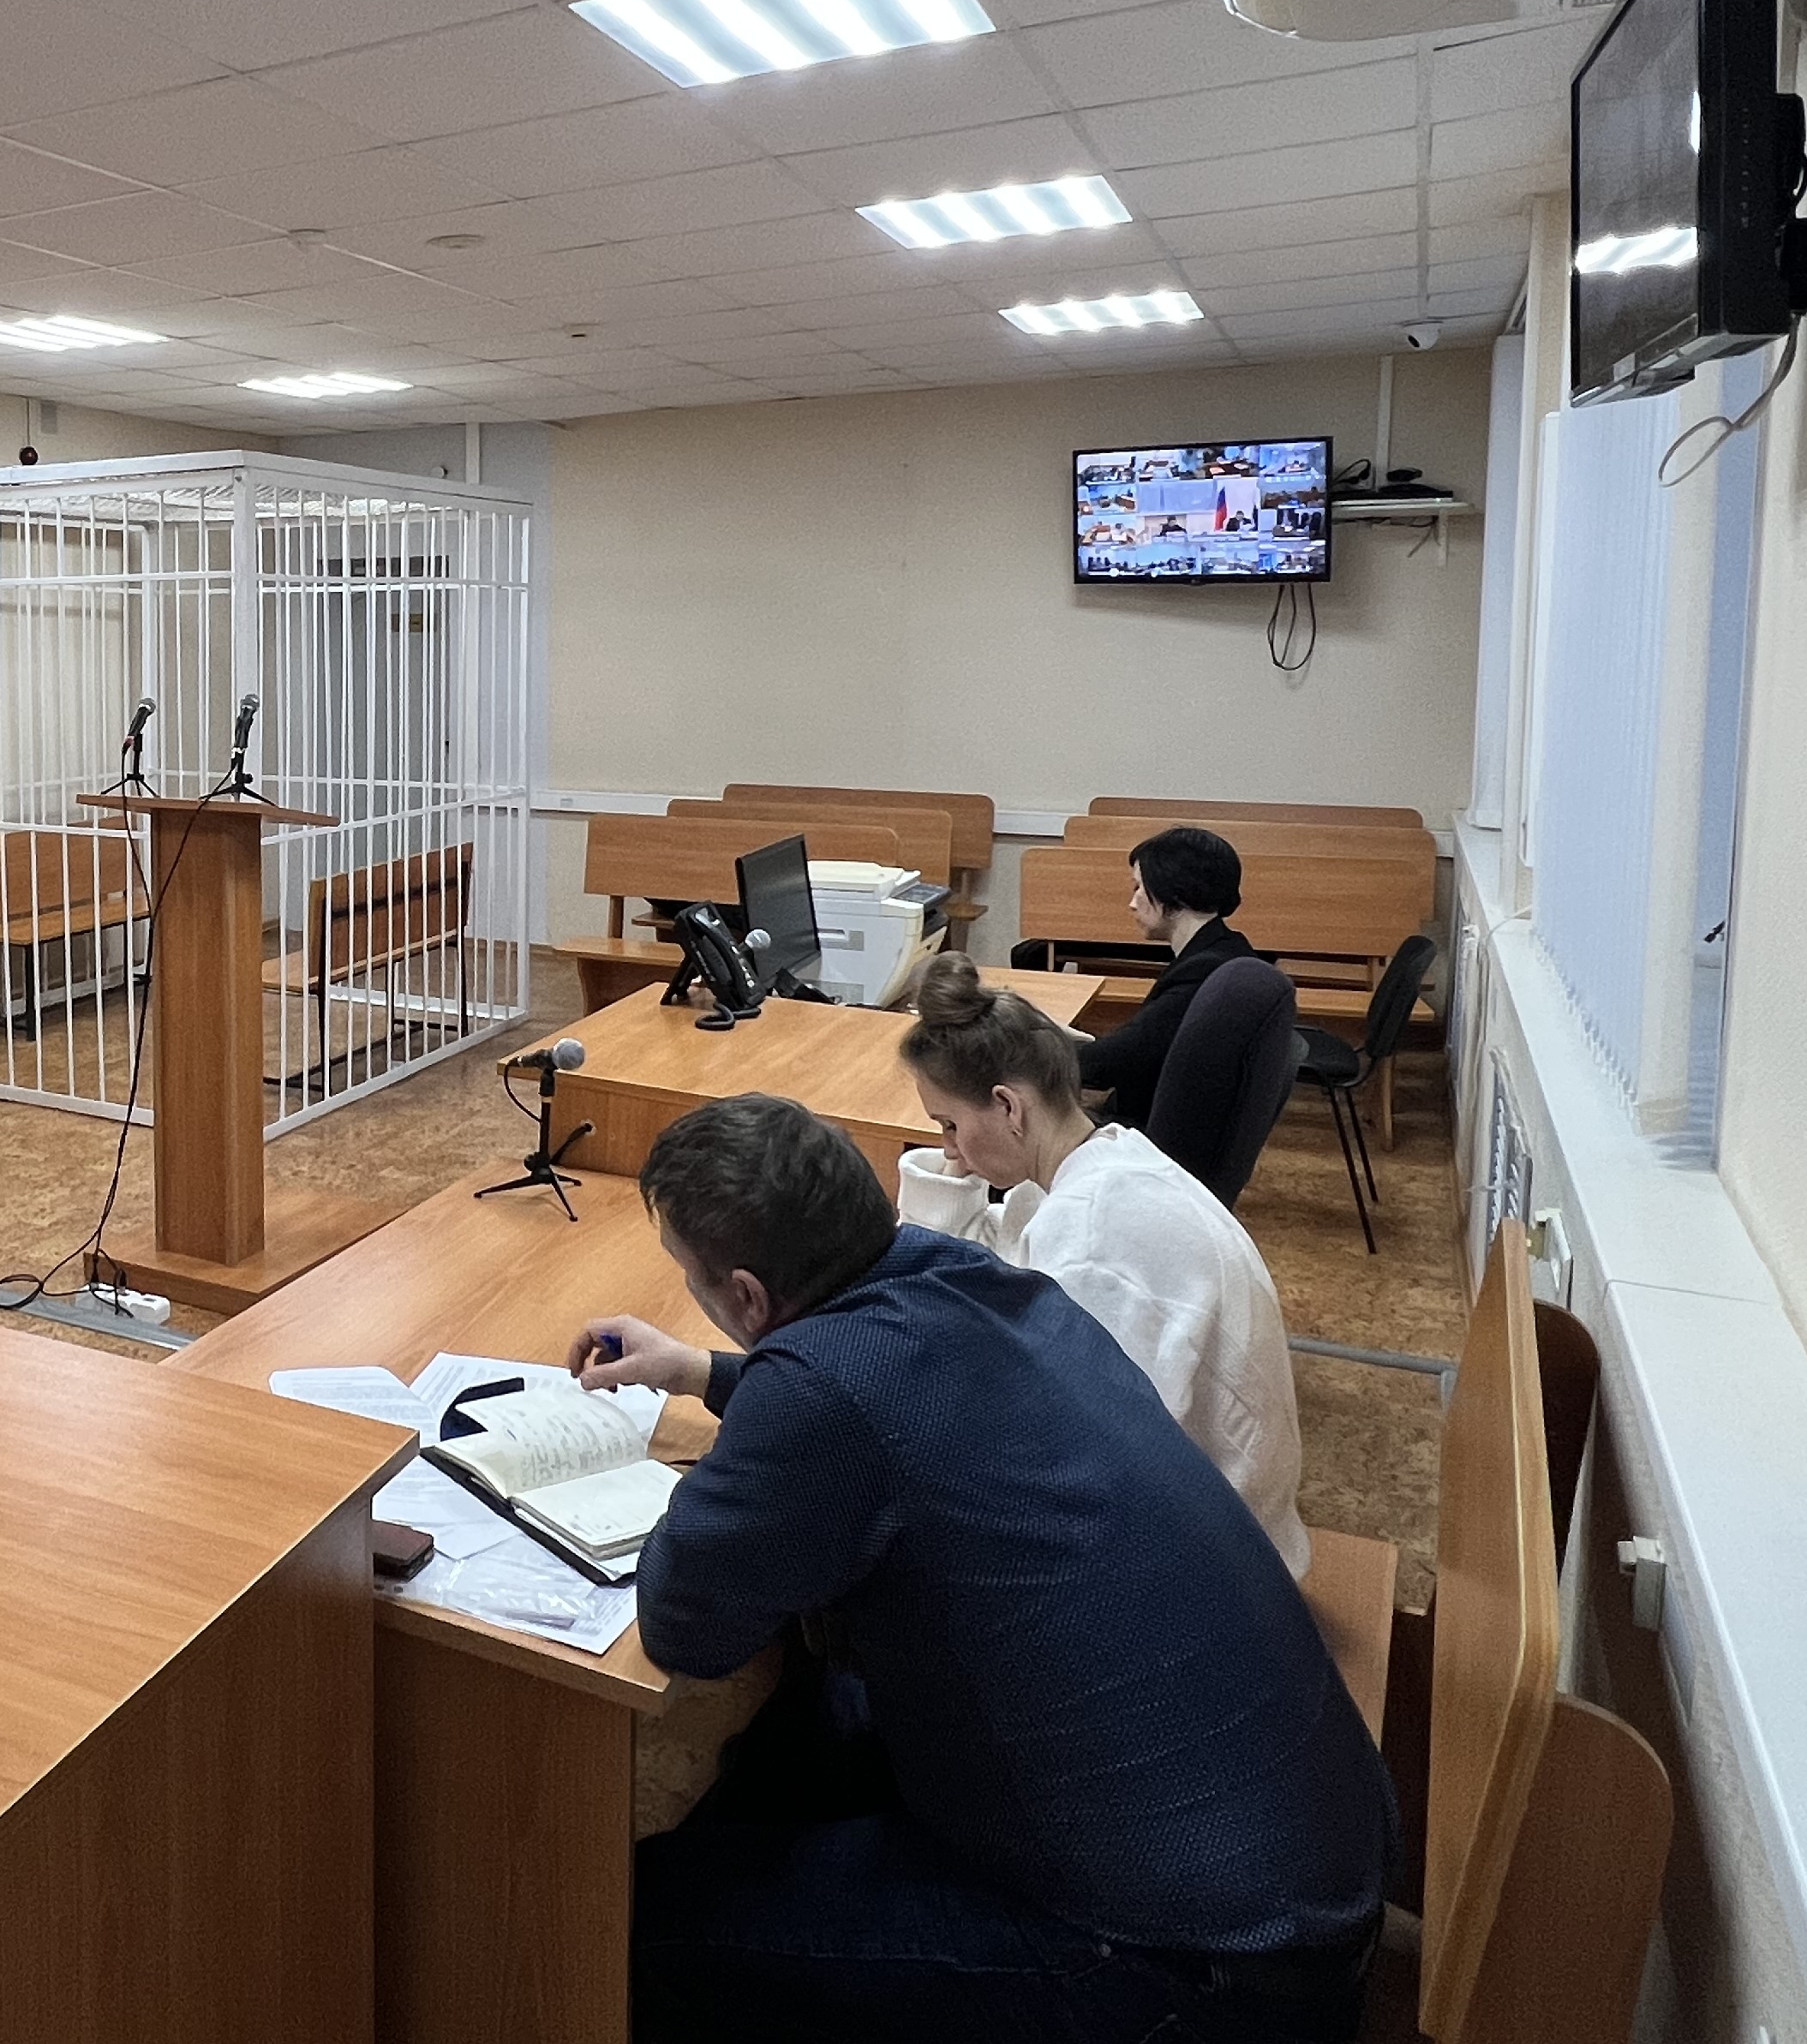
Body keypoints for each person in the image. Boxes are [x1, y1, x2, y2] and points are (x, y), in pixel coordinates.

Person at [571, 1094, 1387, 2041]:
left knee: (645, 1918)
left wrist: (749, 1435)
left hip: (1191, 1972)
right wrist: (706, 1372)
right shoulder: (977, 1277)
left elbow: (685, 1624)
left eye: (694, 1276)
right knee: (803, 1723)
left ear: (748, 1298)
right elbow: (889, 1394)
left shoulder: (824, 1398)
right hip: (1302, 1856)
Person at [895, 953, 1310, 1574]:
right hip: (1204, 1516)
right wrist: (953, 1172)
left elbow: (1092, 1465)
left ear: (1009, 1107)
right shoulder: (1109, 1161)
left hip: (1220, 1564)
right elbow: (975, 1264)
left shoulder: (1092, 1242)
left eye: (950, 1125)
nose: (948, 1148)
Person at [1073, 824, 1260, 1130]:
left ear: (1173, 896)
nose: (1132, 903)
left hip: (1145, 1134)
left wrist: (1036, 1054)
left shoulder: (1204, 972)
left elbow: (1114, 1062)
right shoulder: (1226, 950)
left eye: (1139, 888)